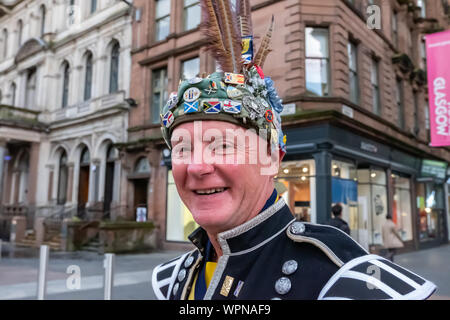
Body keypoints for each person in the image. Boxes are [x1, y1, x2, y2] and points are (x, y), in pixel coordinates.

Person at [152, 0, 435, 300]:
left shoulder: (340, 277)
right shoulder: (171, 281)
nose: (197, 167)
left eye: (222, 146)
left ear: (272, 160)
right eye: (183, 149)